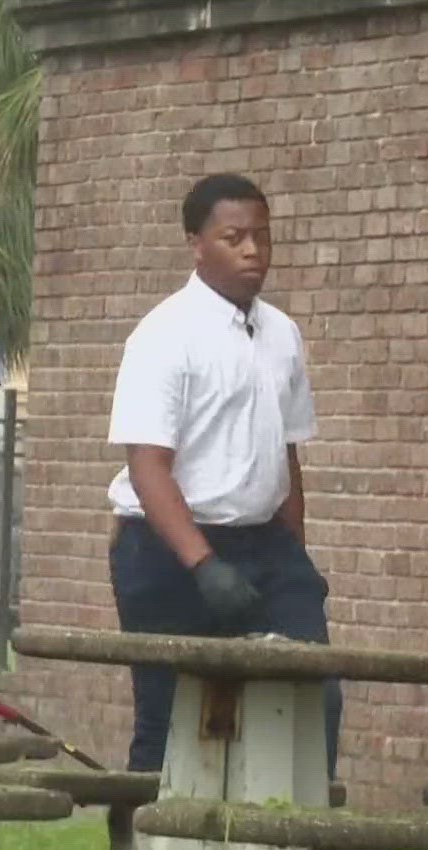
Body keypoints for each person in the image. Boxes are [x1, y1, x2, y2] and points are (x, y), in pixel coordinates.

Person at [105, 173, 341, 778]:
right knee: (169, 721)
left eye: (263, 237)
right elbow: (148, 466)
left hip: (264, 546)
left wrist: (296, 555)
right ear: (196, 243)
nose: (253, 252)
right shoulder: (164, 335)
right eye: (234, 238)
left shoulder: (282, 334)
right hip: (170, 550)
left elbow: (286, 457)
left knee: (311, 697)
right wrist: (203, 565)